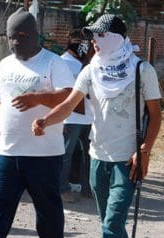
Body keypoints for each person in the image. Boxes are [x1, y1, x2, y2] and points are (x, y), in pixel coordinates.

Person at [32, 14, 162, 238]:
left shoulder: (142, 70)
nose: (93, 41)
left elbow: (156, 116)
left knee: (111, 225)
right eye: (93, 36)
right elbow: (68, 105)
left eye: (100, 35)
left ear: (116, 38)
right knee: (109, 223)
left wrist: (145, 149)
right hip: (98, 159)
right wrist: (45, 121)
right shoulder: (91, 70)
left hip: (127, 162)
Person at [0, 8, 75, 238]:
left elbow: (69, 97)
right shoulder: (5, 64)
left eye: (21, 37)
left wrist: (38, 98)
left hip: (44, 156)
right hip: (6, 153)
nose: (15, 42)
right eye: (11, 37)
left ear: (33, 34)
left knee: (48, 214)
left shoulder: (54, 63)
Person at [60, 29, 94, 202]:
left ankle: (88, 188)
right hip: (70, 117)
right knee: (66, 154)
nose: (83, 45)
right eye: (79, 41)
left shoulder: (90, 62)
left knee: (90, 155)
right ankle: (63, 189)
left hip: (90, 117)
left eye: (84, 41)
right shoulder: (62, 62)